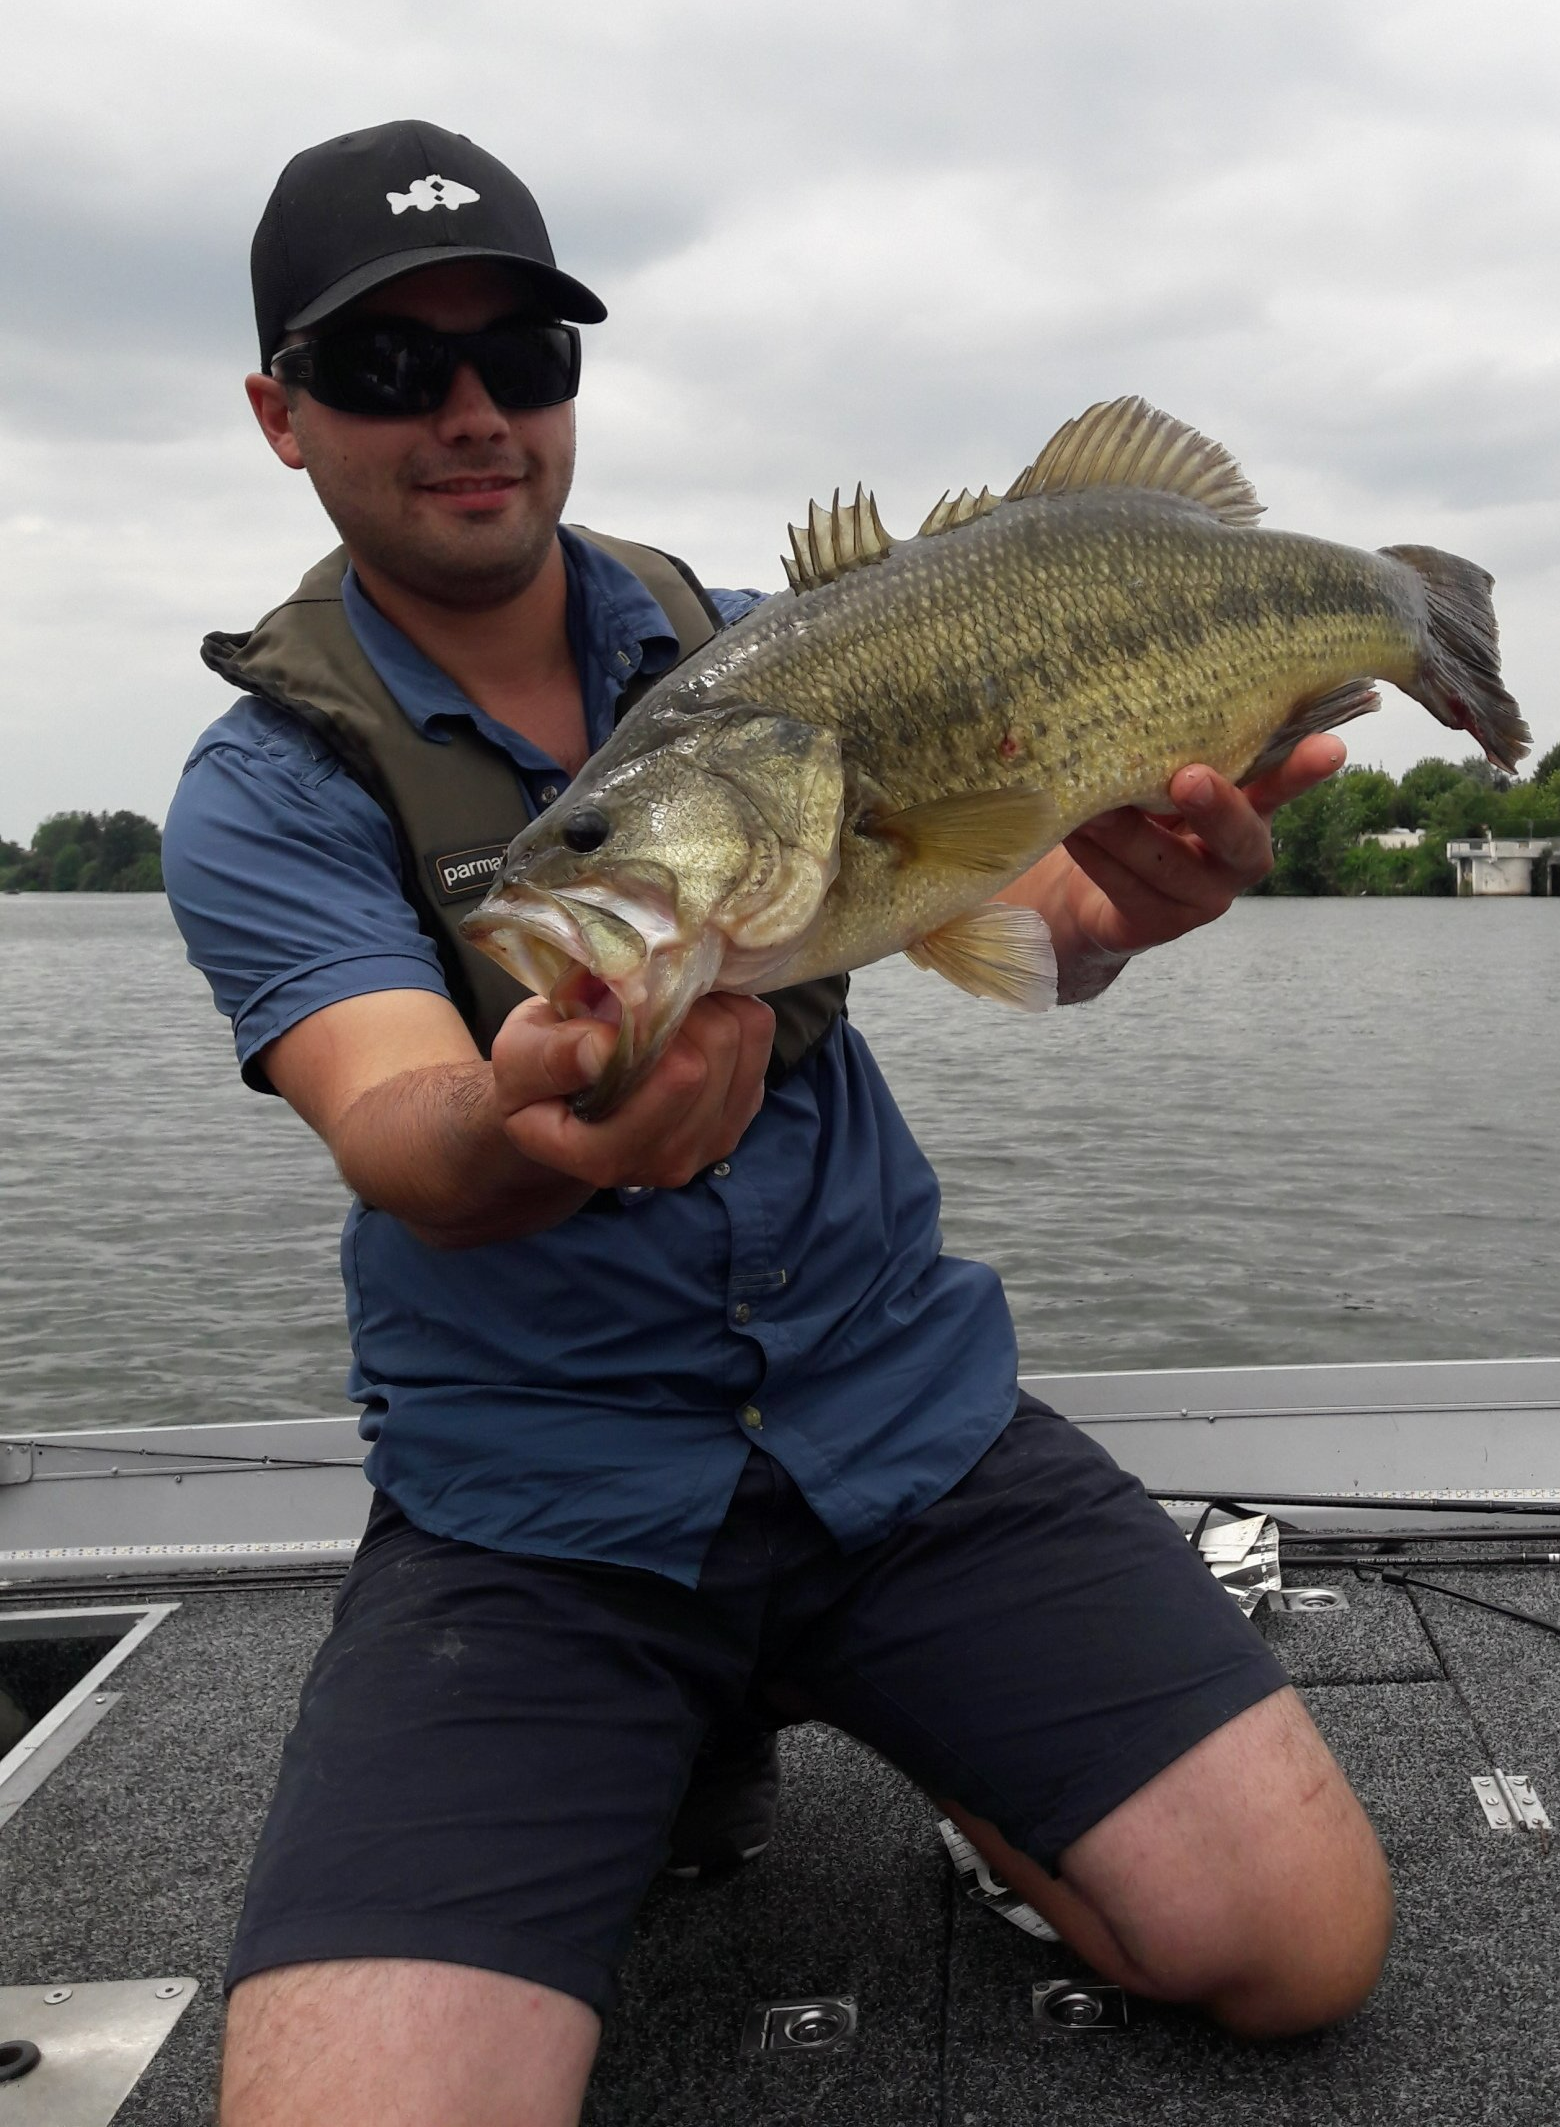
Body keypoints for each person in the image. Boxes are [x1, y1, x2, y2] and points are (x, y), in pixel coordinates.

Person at [164, 119, 1392, 2127]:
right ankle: (689, 1726)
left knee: (1297, 1946)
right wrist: (526, 1121)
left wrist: (1138, 903)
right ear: (281, 413)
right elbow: (398, 1122)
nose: (473, 412)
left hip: (903, 1433)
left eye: (523, 358)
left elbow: (1048, 917)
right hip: (536, 1523)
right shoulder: (268, 784)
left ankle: (970, 1766)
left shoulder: (756, 651)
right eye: (390, 366)